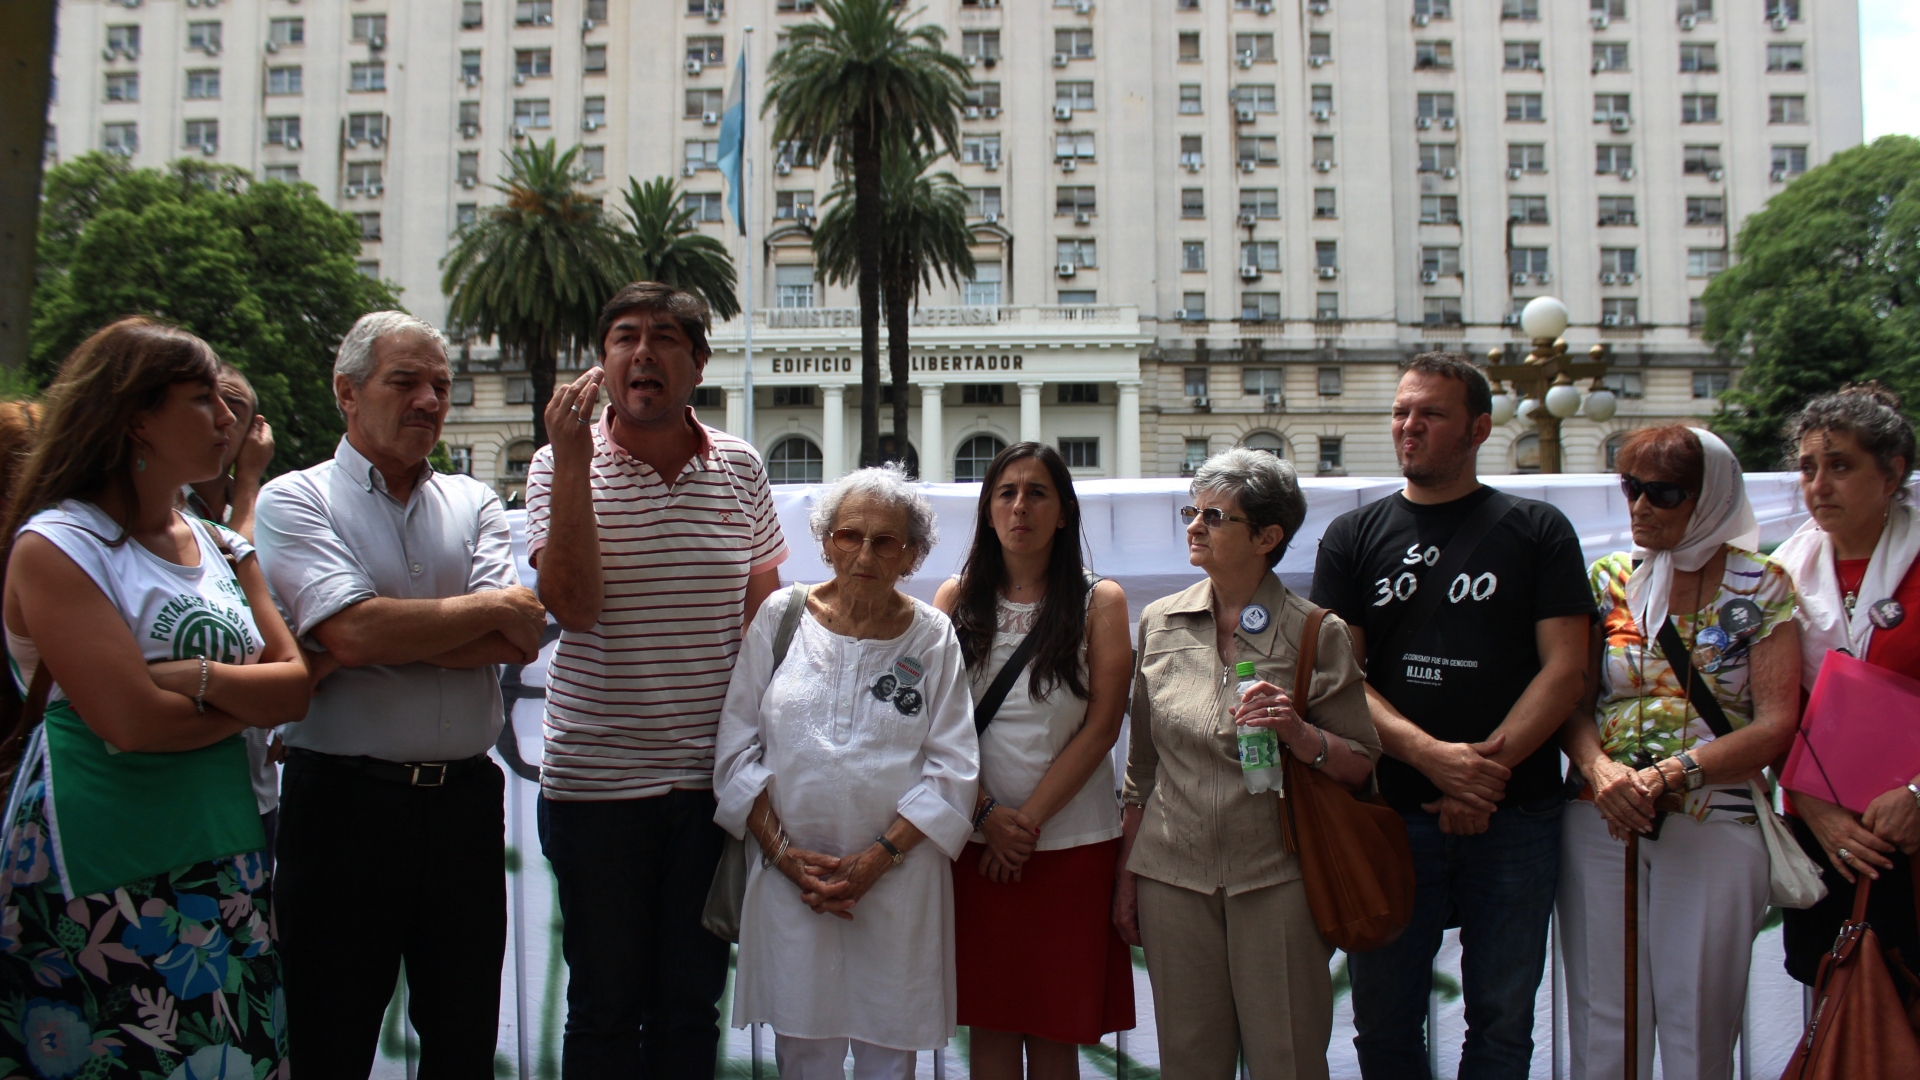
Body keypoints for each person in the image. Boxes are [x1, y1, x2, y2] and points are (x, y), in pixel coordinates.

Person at [0, 317, 308, 1076]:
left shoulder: (222, 543)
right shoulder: (58, 545)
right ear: (137, 417)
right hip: (104, 867)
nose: (228, 417)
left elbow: (296, 687)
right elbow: (132, 722)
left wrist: (200, 679)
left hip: (224, 850)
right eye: (203, 398)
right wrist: (248, 698)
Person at [255, 311, 546, 1075]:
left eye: (441, 386)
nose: (429, 401)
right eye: (405, 382)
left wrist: (371, 633)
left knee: (463, 1040)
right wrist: (379, 630)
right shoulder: (295, 500)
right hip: (341, 807)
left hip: (464, 809)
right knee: (330, 1038)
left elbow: (517, 638)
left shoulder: (475, 501)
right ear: (346, 392)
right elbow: (354, 633)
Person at [529, 281, 788, 1077]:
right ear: (602, 362)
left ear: (698, 364)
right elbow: (572, 605)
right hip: (596, 788)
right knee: (604, 1008)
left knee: (688, 1006)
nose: (643, 353)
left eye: (665, 338)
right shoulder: (556, 464)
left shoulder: (740, 467)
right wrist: (574, 461)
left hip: (709, 791)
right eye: (625, 338)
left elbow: (764, 630)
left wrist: (757, 771)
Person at [1310, 354, 1592, 1080]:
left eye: (1431, 414)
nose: (1409, 427)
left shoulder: (1538, 529)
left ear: (1479, 429)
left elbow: (1567, 670)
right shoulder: (1352, 536)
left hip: (1515, 814)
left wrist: (1480, 774)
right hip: (1393, 814)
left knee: (1502, 1024)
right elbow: (1341, 679)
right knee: (1384, 1026)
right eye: (1401, 412)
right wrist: (1434, 759)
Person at [1115, 447, 1379, 1080]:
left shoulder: (1316, 630)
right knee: (1189, 1063)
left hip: (1278, 876)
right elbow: (1141, 769)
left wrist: (1298, 733)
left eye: (1215, 516)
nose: (1194, 526)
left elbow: (1360, 764)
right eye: (1192, 511)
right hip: (1171, 878)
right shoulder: (1159, 621)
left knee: (1288, 1059)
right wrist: (1127, 879)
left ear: (1267, 537)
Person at [713, 465, 978, 1080]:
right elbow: (735, 750)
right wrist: (784, 857)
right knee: (803, 1056)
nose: (863, 554)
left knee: (890, 1058)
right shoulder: (781, 616)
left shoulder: (932, 636)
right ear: (825, 540)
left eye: (885, 541)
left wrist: (878, 859)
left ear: (912, 555)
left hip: (898, 886)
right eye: (849, 535)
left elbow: (955, 768)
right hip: (793, 886)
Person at [1556, 424, 1800, 1080]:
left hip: (1713, 814)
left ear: (1710, 497)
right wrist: (1600, 769)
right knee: (1602, 1019)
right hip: (1602, 812)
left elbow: (1777, 723)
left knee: (1699, 1022)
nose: (1640, 505)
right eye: (1631, 487)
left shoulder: (1762, 586)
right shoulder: (1609, 579)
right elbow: (1572, 704)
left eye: (1663, 493)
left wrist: (1671, 773)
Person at [932, 443, 1135, 1079]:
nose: (1021, 506)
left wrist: (1024, 826)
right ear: (988, 511)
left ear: (1064, 511)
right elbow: (930, 725)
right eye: (1007, 493)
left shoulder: (1101, 601)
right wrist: (987, 816)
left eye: (1038, 492)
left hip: (1070, 846)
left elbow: (1103, 727)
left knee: (1055, 1030)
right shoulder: (954, 598)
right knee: (989, 1025)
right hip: (973, 844)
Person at [1773, 385, 1920, 986]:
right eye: (1808, 468)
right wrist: (1818, 812)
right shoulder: (1780, 575)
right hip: (1823, 831)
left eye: (1840, 466)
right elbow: (1765, 708)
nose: (1819, 485)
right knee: (1837, 1008)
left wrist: (1917, 795)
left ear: (1892, 474)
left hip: (1911, 823)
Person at [180, 363, 281, 856]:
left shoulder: (272, 509)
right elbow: (229, 584)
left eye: (232, 407)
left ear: (254, 428)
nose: (219, 418)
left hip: (252, 780)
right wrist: (249, 482)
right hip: (180, 784)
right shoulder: (160, 509)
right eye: (204, 401)